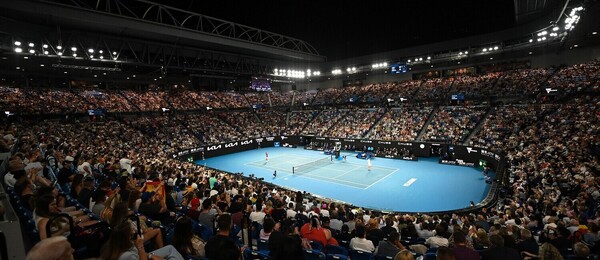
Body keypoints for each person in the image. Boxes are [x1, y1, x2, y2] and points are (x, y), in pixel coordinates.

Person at [100, 220, 184, 260]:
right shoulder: (127, 256)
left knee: (170, 248)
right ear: (126, 237)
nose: (134, 231)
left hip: (142, 255)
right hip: (140, 257)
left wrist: (150, 256)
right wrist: (140, 246)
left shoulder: (115, 244)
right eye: (131, 231)